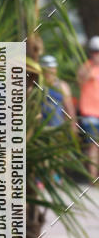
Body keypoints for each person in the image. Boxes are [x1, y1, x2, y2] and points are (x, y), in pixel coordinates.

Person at [77, 36, 99, 180]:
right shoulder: (86, 67)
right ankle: (92, 178)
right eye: (95, 51)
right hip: (89, 113)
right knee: (93, 145)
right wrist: (92, 65)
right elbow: (80, 80)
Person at [40, 54, 76, 128]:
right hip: (39, 128)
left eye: (52, 68)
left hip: (57, 129)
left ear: (55, 69)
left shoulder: (62, 86)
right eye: (47, 69)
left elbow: (69, 109)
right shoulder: (37, 85)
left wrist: (73, 128)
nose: (50, 71)